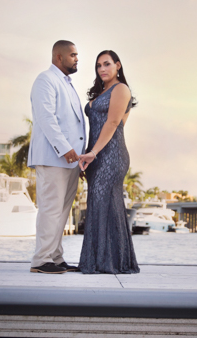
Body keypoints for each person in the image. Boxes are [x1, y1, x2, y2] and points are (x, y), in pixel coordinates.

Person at [77, 50, 139, 274]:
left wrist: (93, 152)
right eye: (98, 66)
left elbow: (114, 123)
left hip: (111, 155)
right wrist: (88, 155)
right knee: (100, 204)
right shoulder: (100, 92)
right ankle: (104, 261)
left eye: (107, 64)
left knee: (103, 202)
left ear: (118, 65)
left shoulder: (121, 89)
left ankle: (108, 262)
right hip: (95, 154)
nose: (102, 69)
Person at [28, 40, 86, 274]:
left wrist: (78, 158)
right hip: (54, 158)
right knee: (51, 208)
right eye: (72, 55)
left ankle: (55, 257)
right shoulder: (45, 80)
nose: (76, 58)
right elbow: (46, 118)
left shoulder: (67, 83)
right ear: (59, 57)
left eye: (77, 55)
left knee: (62, 211)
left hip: (71, 161)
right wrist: (64, 148)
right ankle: (41, 260)